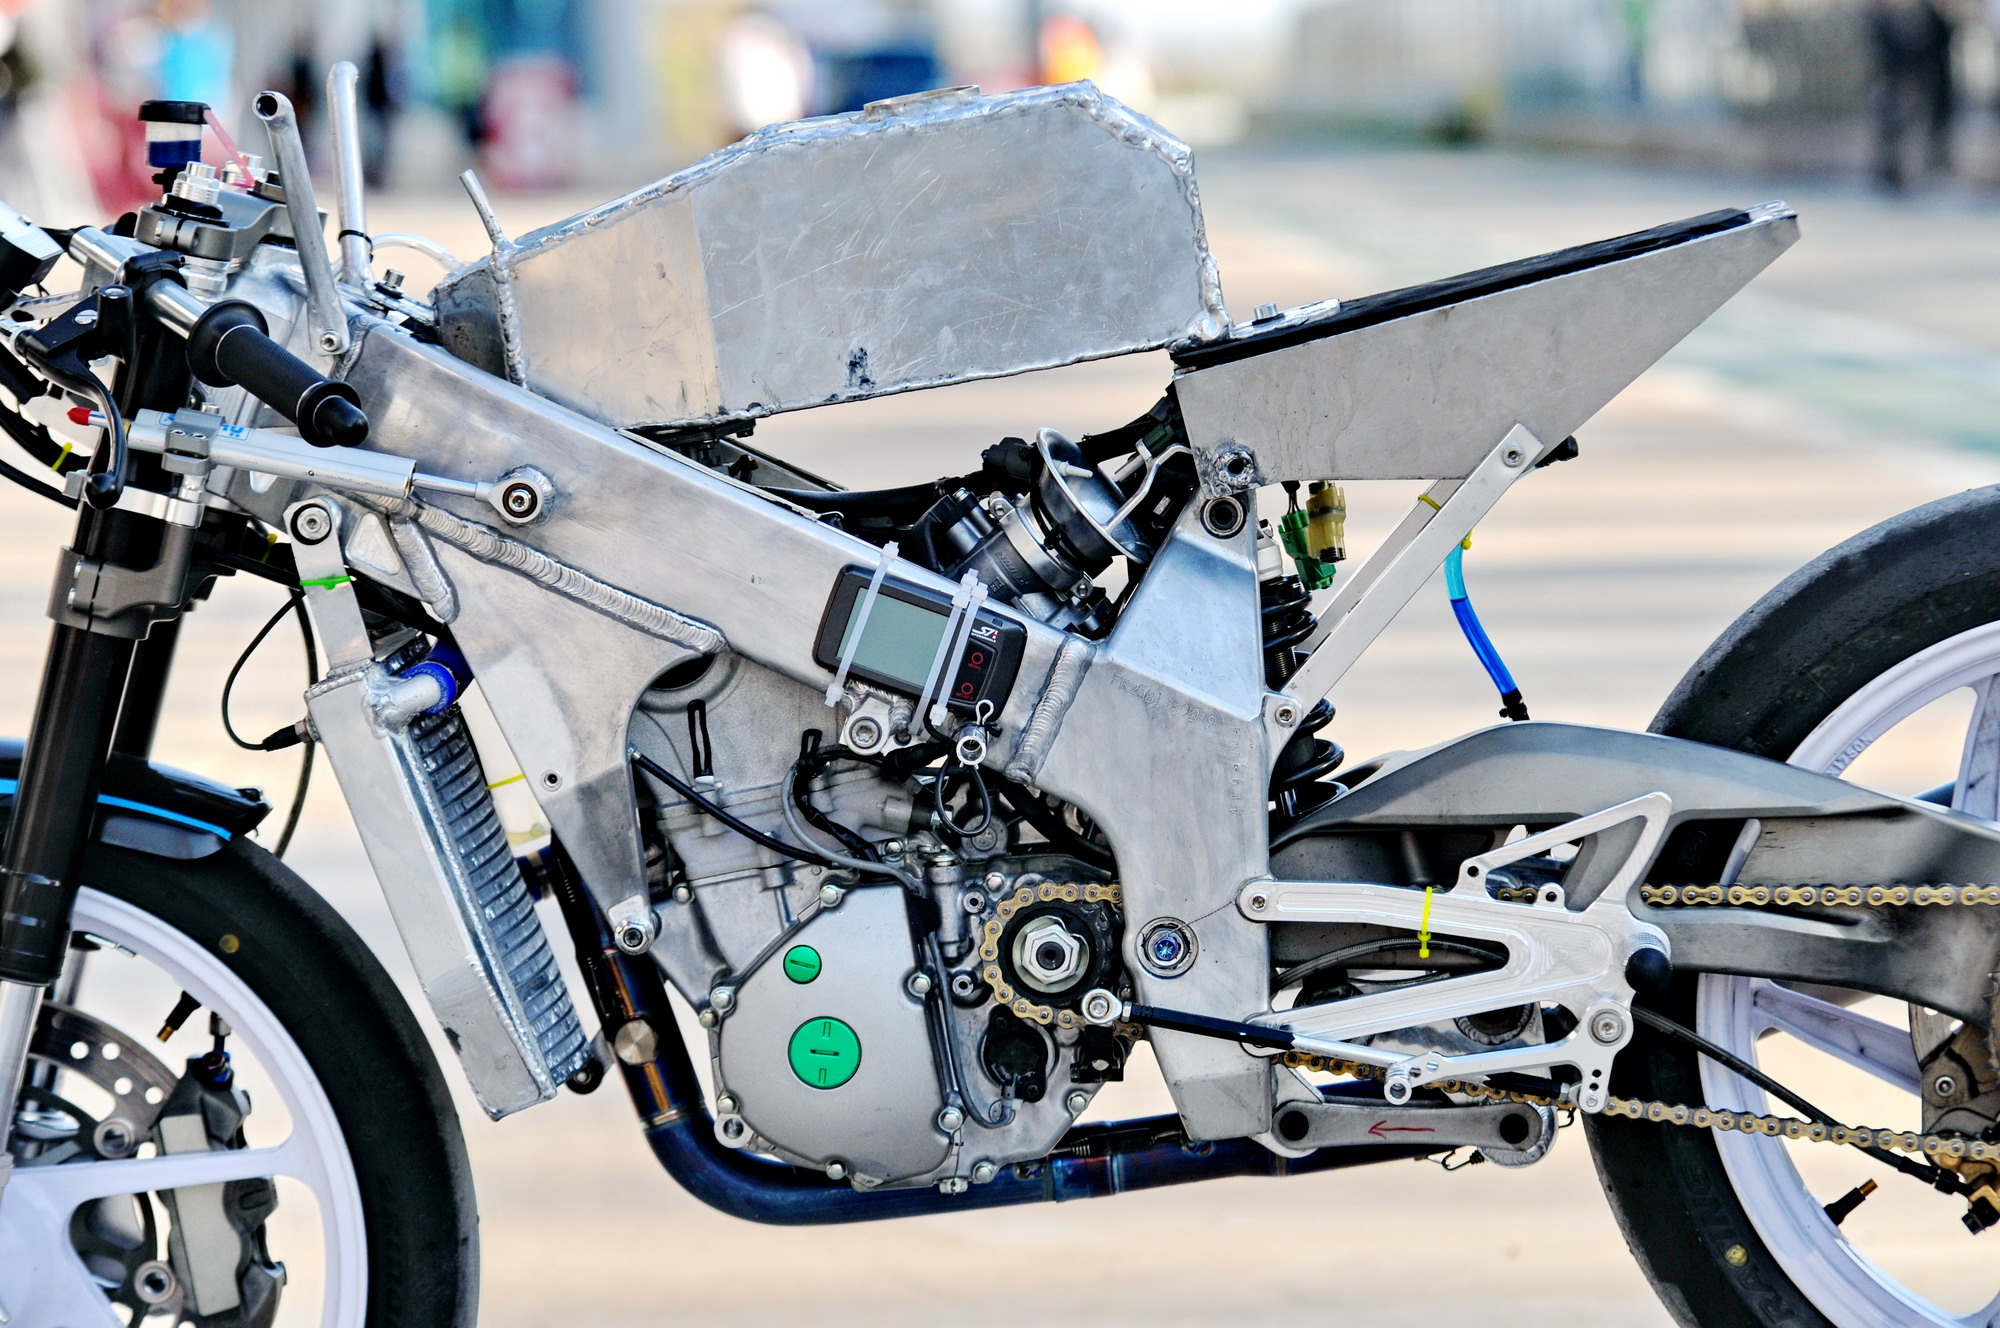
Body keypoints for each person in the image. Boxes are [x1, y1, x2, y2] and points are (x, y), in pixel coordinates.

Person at [1869, 0, 1958, 190]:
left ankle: (1892, 173)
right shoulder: (1882, 24)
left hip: (1895, 82)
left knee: (1895, 130)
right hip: (1891, 83)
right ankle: (1890, 173)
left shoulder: (1886, 23)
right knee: (1892, 131)